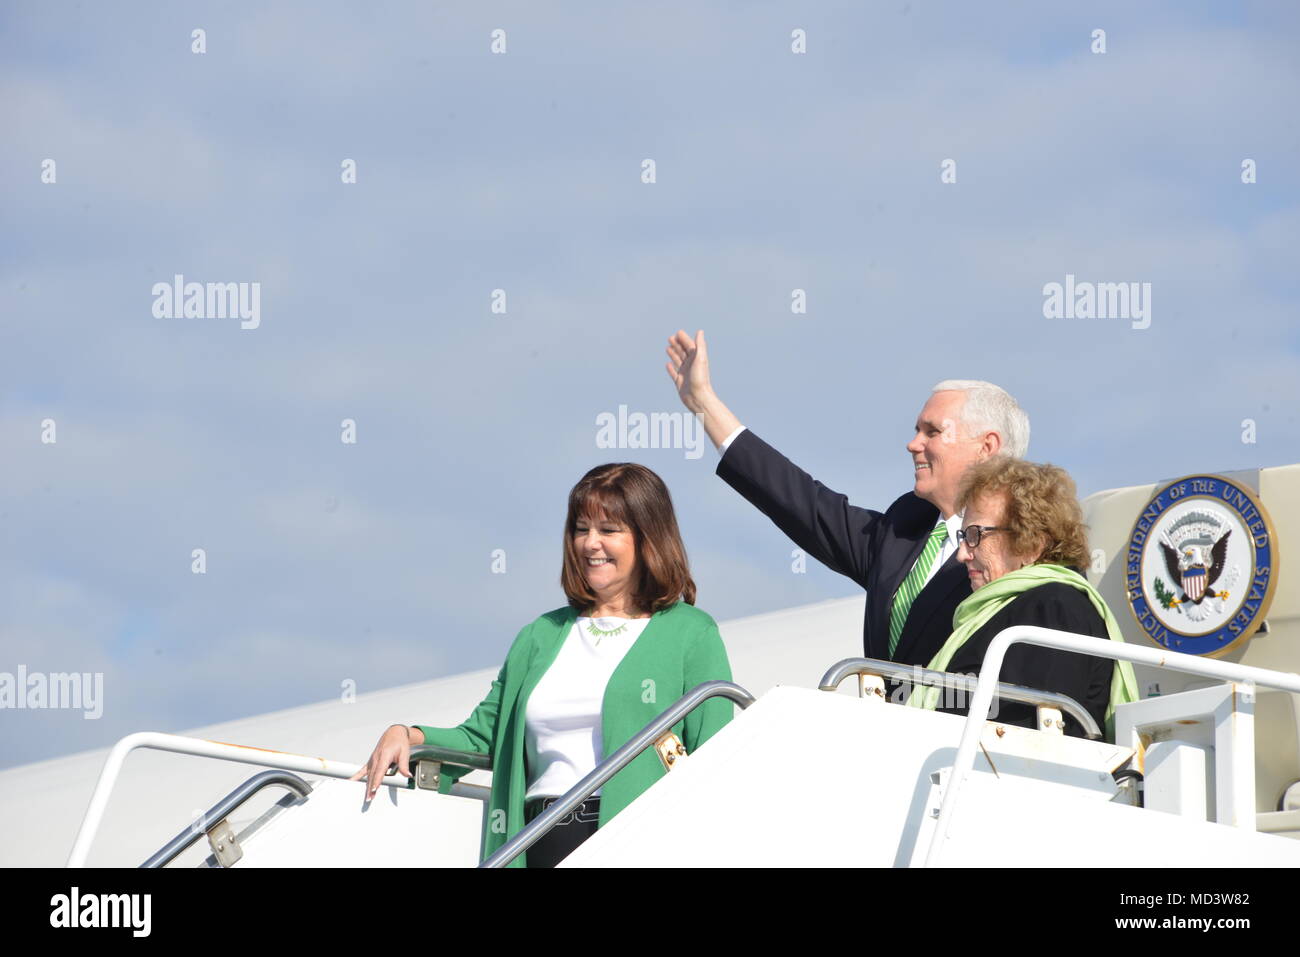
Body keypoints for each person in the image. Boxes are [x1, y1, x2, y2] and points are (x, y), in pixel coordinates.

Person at [350, 463, 734, 868]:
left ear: (648, 537)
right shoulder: (540, 636)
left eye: (609, 530)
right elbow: (485, 737)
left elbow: (719, 756)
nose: (590, 544)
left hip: (638, 841)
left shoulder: (691, 633)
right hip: (541, 837)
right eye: (581, 528)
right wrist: (408, 735)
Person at [665, 328, 1029, 673]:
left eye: (932, 431)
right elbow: (801, 502)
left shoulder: (1027, 545)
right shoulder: (904, 529)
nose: (913, 443)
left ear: (987, 447)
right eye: (917, 430)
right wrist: (703, 402)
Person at [907, 457, 1138, 739]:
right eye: (962, 537)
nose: (962, 554)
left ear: (1030, 544)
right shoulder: (1001, 612)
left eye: (974, 535)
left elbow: (1022, 725)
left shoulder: (1055, 606)